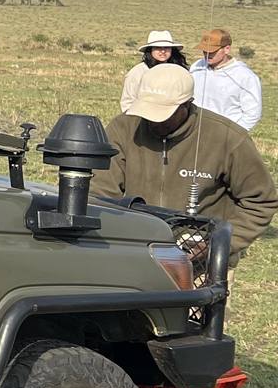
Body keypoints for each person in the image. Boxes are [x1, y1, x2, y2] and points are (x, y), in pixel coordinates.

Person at [92, 64, 277, 267]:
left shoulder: (228, 138)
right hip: (132, 257)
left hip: (201, 268)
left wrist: (218, 244)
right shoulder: (123, 128)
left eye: (164, 114)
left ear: (187, 104)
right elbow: (100, 194)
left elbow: (260, 201)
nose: (154, 121)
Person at [191, 27, 262, 131]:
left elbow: (252, 113)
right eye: (204, 50)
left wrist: (234, 133)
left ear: (227, 49)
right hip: (195, 130)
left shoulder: (245, 76)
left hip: (225, 134)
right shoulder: (197, 66)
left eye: (212, 51)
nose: (207, 54)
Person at [120, 30, 186, 116]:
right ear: (150, 50)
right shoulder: (138, 73)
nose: (162, 51)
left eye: (166, 47)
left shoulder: (178, 71)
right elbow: (128, 102)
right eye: (158, 48)